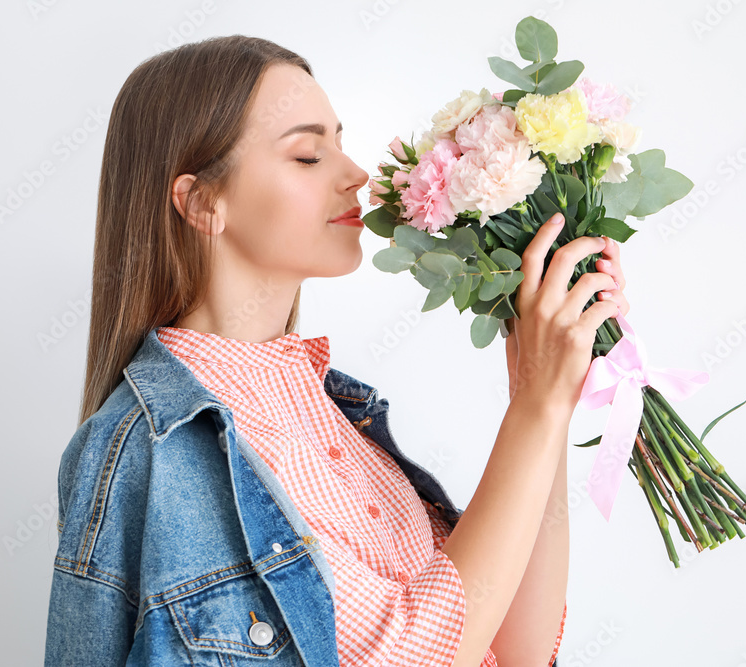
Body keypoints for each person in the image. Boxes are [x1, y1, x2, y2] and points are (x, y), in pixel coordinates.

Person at [43, 34, 630, 667]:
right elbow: (416, 657)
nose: (354, 176)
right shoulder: (159, 447)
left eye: (340, 144)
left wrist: (544, 398)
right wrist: (532, 413)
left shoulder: (334, 412)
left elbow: (519, 648)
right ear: (202, 202)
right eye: (306, 155)